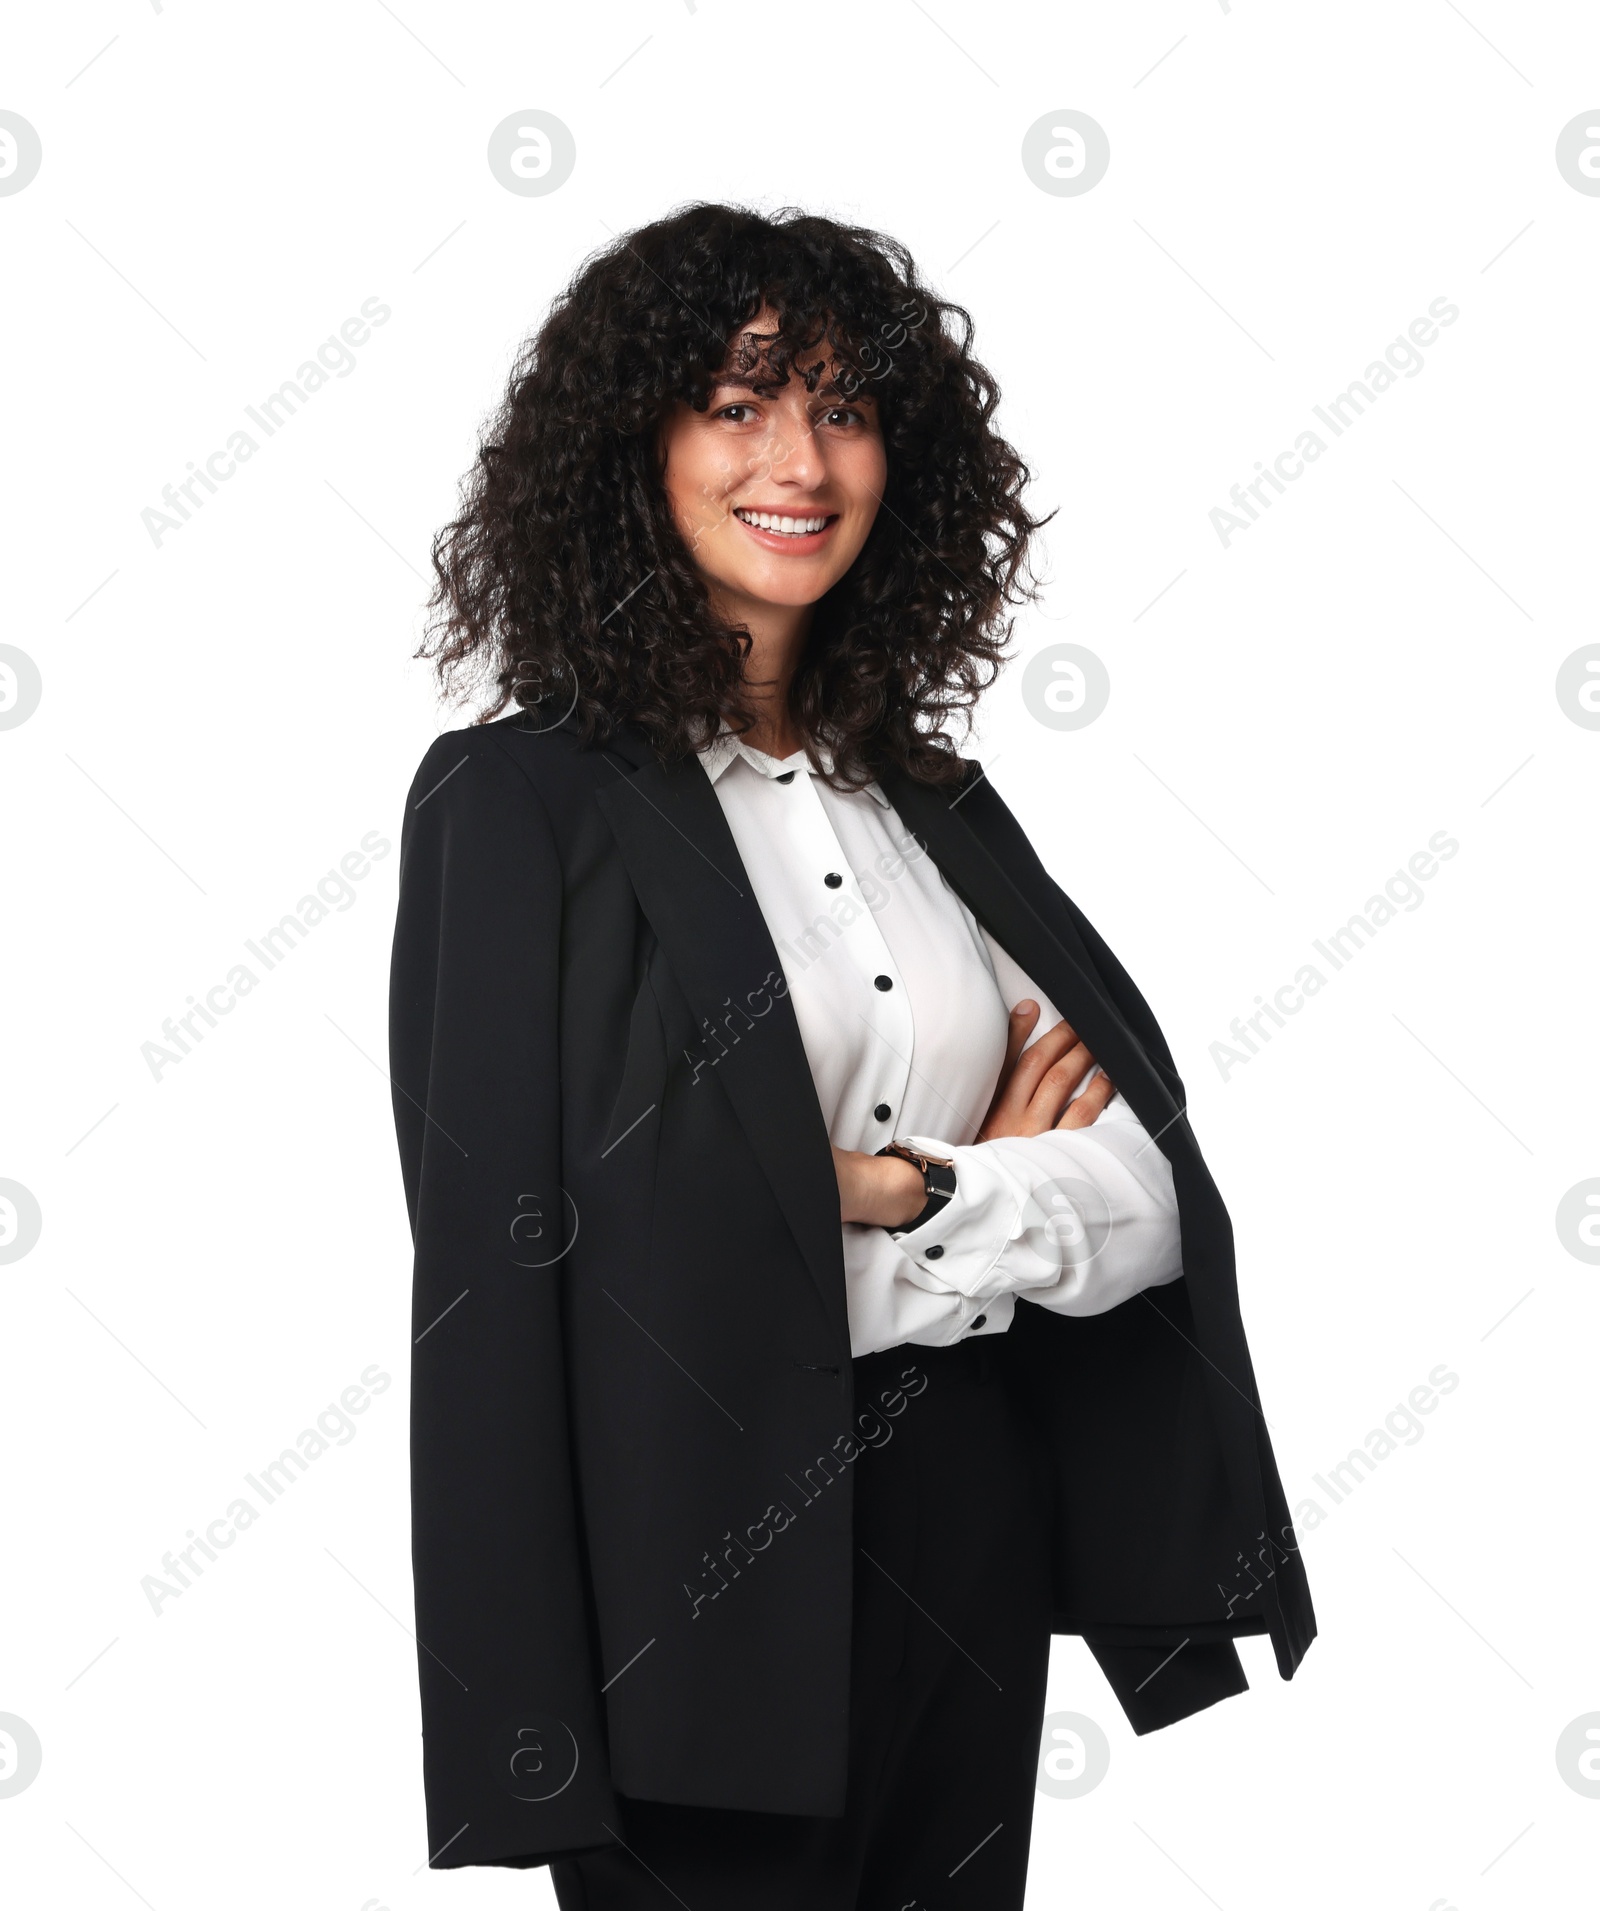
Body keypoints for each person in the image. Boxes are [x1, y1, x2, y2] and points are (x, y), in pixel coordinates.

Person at [388, 203, 1314, 1910]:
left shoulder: (938, 810)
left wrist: (887, 1188)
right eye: (738, 404)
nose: (798, 457)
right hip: (682, 1570)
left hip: (968, 1518)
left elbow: (1148, 1192)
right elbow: (516, 1274)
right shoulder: (519, 807)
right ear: (635, 447)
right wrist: (980, 1200)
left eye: (842, 405)